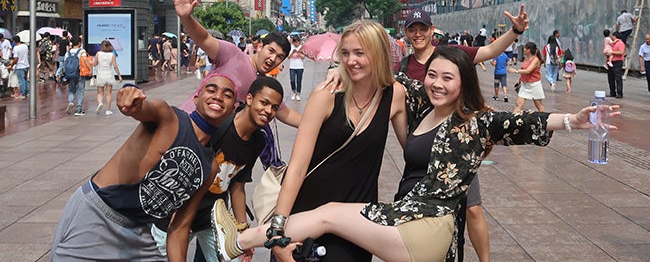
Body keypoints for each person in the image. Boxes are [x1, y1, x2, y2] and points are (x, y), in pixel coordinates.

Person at [212, 46, 620, 262]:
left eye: (449, 78)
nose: (438, 84)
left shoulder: (477, 121)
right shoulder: (423, 107)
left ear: (465, 83)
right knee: (329, 216)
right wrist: (345, 66)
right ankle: (243, 241)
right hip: (404, 216)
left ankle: (240, 241)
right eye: (434, 76)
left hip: (427, 225)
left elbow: (524, 125)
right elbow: (381, 73)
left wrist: (574, 121)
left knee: (329, 214)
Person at [50, 74, 238, 262]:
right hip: (98, 215)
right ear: (196, 99)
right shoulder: (168, 117)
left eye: (227, 95)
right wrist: (131, 98)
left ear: (232, 110)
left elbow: (180, 228)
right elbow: (143, 108)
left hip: (139, 230)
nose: (218, 96)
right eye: (211, 90)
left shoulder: (210, 166)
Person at [264, 20, 407, 262]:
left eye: (360, 53)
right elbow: (297, 168)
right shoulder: (326, 94)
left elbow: (413, 150)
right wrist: (278, 229)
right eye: (346, 53)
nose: (351, 61)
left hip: (357, 222)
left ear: (379, 53)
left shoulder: (395, 95)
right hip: (309, 216)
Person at [398, 6, 528, 262]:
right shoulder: (404, 66)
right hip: (424, 151)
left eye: (422, 28)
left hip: (456, 147)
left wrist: (515, 31)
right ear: (405, 33)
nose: (417, 34)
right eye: (412, 29)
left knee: (473, 209)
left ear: (431, 30)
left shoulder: (451, 55)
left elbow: (489, 51)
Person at [152, 76, 284, 262]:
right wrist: (176, 211)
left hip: (211, 219)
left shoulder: (258, 140)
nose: (268, 111)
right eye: (264, 103)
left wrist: (243, 232)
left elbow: (238, 185)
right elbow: (184, 167)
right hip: (175, 217)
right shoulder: (220, 126)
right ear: (249, 99)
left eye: (274, 107)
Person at [171, 0, 300, 127]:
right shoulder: (232, 53)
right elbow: (205, 39)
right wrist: (186, 18)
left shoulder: (263, 85)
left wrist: (320, 123)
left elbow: (286, 114)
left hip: (211, 140)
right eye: (271, 51)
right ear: (260, 46)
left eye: (280, 57)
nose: (273, 59)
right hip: (186, 124)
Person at [508, 42, 545, 112]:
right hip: (525, 84)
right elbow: (523, 70)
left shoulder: (536, 60)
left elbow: (528, 71)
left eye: (525, 48)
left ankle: (544, 120)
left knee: (538, 104)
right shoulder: (526, 58)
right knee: (518, 104)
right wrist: (519, 79)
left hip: (534, 84)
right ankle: (513, 119)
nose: (524, 49)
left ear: (529, 50)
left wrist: (515, 70)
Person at [93, 39, 123, 115]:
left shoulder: (98, 54)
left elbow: (94, 64)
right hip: (109, 74)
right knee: (108, 93)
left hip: (100, 74)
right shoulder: (112, 55)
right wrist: (119, 76)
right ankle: (108, 110)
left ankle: (100, 103)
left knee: (100, 92)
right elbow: (115, 66)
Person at [63, 37, 91, 116]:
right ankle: (78, 109)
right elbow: (85, 60)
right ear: (79, 43)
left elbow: (65, 63)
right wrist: (90, 69)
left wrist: (65, 73)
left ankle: (71, 102)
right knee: (80, 91)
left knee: (71, 90)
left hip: (70, 74)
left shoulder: (68, 52)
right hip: (79, 73)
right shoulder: (82, 51)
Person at [605, 31, 625, 98]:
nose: (612, 37)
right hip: (611, 62)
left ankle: (619, 93)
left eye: (613, 36)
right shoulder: (612, 43)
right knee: (610, 78)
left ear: (615, 36)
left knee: (618, 77)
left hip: (617, 62)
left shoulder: (620, 43)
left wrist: (612, 53)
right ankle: (612, 92)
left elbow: (621, 52)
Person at [8, 35, 28, 99]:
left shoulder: (16, 48)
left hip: (20, 66)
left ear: (14, 41)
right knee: (25, 80)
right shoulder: (25, 46)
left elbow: (16, 59)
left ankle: (22, 94)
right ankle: (27, 92)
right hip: (26, 65)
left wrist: (12, 65)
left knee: (21, 81)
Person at [288, 35, 305, 101]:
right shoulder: (291, 47)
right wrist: (292, 52)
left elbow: (303, 57)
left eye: (297, 42)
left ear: (299, 42)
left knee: (299, 81)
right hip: (292, 67)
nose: (296, 43)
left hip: (300, 67)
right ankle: (294, 92)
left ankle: (298, 93)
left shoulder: (301, 47)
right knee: (292, 80)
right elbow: (288, 57)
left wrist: (298, 52)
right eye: (294, 42)